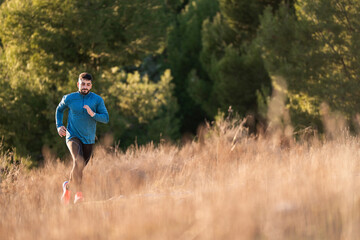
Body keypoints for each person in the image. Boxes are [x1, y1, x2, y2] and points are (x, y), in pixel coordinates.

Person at [56, 72, 109, 204]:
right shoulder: (69, 98)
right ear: (78, 84)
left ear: (91, 86)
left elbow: (106, 118)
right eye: (83, 84)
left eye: (88, 84)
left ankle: (67, 187)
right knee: (78, 161)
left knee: (79, 167)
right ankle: (78, 194)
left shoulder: (97, 100)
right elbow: (59, 109)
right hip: (72, 135)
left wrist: (93, 114)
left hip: (89, 138)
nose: (85, 86)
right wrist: (59, 125)